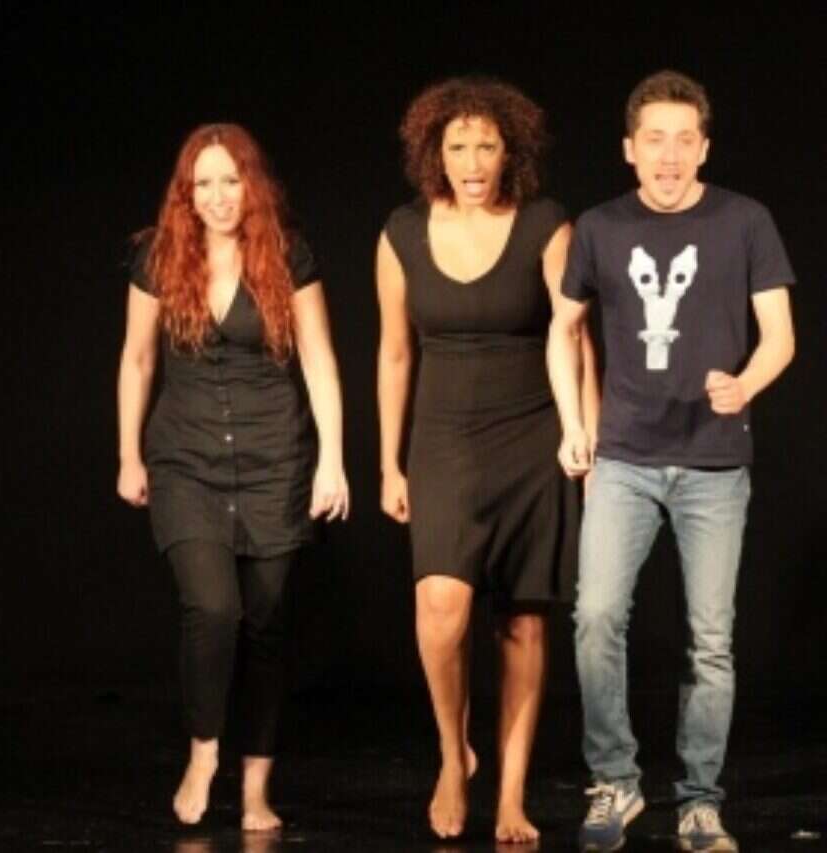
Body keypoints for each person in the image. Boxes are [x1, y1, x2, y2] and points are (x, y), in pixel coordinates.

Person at [548, 70, 795, 852]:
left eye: (685, 140)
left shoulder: (745, 221)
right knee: (595, 616)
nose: (669, 155)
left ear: (704, 148)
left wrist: (745, 383)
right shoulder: (599, 227)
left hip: (715, 463)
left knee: (710, 639)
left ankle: (699, 801)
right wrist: (574, 424)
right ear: (630, 148)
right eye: (654, 139)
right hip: (624, 456)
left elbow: (781, 336)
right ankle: (615, 781)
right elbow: (563, 330)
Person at [376, 77, 597, 843]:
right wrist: (389, 463)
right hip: (442, 439)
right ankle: (452, 752)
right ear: (434, 152)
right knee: (441, 609)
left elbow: (575, 336)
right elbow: (394, 352)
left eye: (487, 146)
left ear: (512, 152)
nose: (473, 162)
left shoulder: (546, 224)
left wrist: (588, 438)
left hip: (532, 435)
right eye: (459, 146)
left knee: (523, 623)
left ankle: (510, 794)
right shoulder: (402, 232)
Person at [117, 123, 349, 831]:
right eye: (204, 184)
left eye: (230, 180)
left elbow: (318, 359)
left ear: (253, 185)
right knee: (214, 609)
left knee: (267, 628)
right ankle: (203, 749)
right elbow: (137, 359)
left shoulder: (287, 253)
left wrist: (333, 460)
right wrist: (128, 454)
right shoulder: (159, 257)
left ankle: (254, 791)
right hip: (186, 460)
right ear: (186, 193)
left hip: (276, 459)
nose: (218, 196)